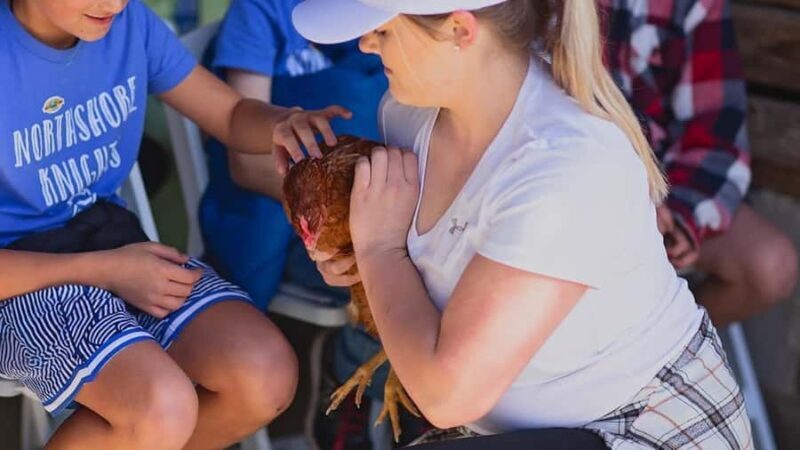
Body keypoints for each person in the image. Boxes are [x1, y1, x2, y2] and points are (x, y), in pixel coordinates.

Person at [274, 0, 754, 448]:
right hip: (515, 427)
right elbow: (417, 275)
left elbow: (447, 396)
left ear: (460, 30)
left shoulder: (565, 167)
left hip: (641, 425)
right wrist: (359, 259)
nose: (365, 44)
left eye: (383, 31)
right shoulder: (407, 115)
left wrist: (379, 251)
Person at [0, 0, 344, 447]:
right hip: (21, 279)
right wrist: (106, 270)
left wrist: (281, 123)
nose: (114, 3)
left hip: (115, 243)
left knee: (265, 375)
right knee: (162, 407)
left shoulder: (130, 24)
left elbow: (230, 115)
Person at [600, 0, 798, 327]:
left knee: (770, 265)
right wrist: (627, 203)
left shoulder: (691, 4)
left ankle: (658, 346)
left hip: (664, 196)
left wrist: (683, 216)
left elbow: (716, 131)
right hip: (573, 193)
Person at [199, 0, 387, 310]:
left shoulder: (373, 7)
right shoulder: (259, 11)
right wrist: (344, 217)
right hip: (293, 230)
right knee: (399, 276)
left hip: (372, 204)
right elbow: (247, 165)